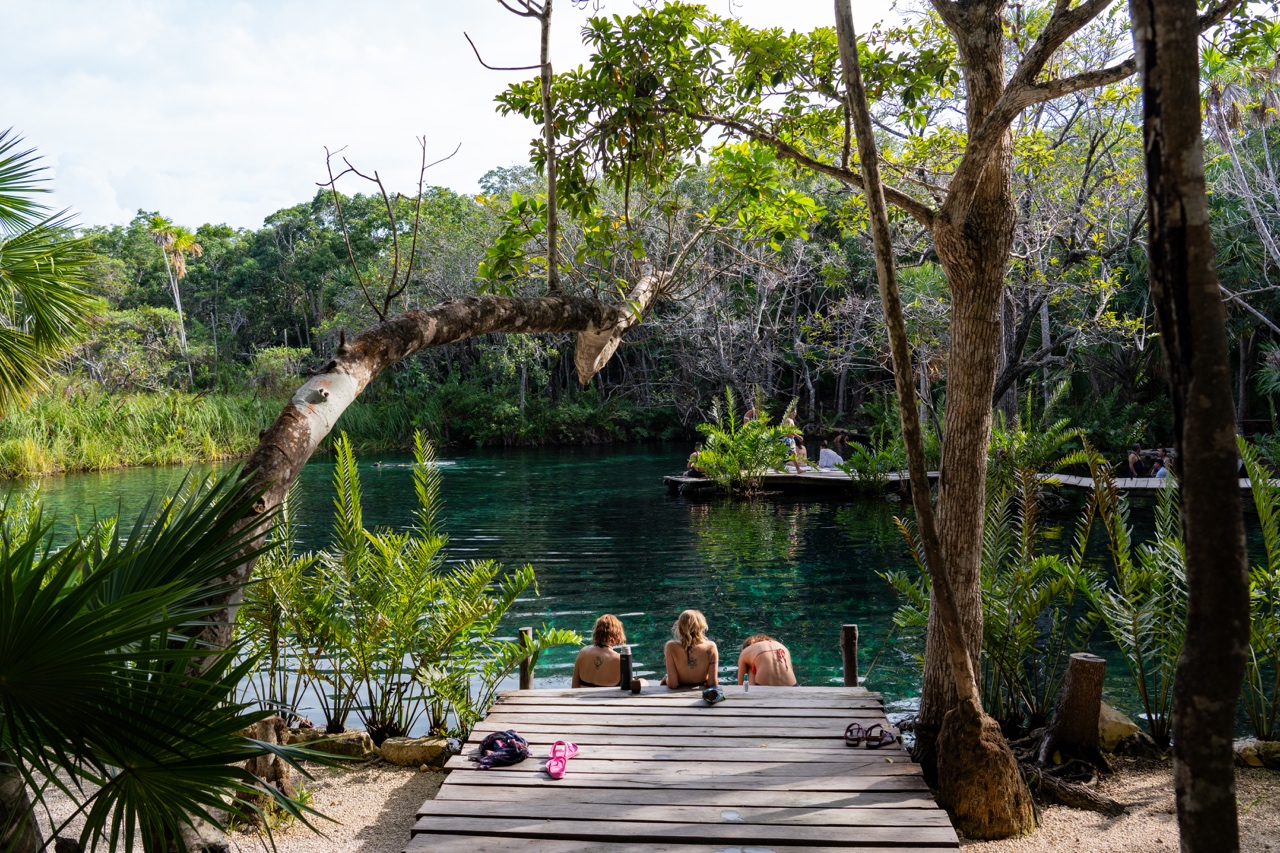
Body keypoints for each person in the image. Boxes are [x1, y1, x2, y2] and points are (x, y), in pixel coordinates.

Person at [662, 609, 718, 688]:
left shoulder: (671, 646)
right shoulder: (711, 647)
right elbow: (712, 683)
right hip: (700, 691)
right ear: (702, 627)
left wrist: (666, 678)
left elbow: (673, 684)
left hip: (679, 692)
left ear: (680, 627)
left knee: (664, 679)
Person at [572, 614, 626, 688]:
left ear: (596, 632)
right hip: (608, 699)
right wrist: (643, 682)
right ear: (617, 634)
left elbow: (574, 687)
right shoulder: (620, 659)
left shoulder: (583, 653)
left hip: (583, 698)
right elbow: (628, 688)